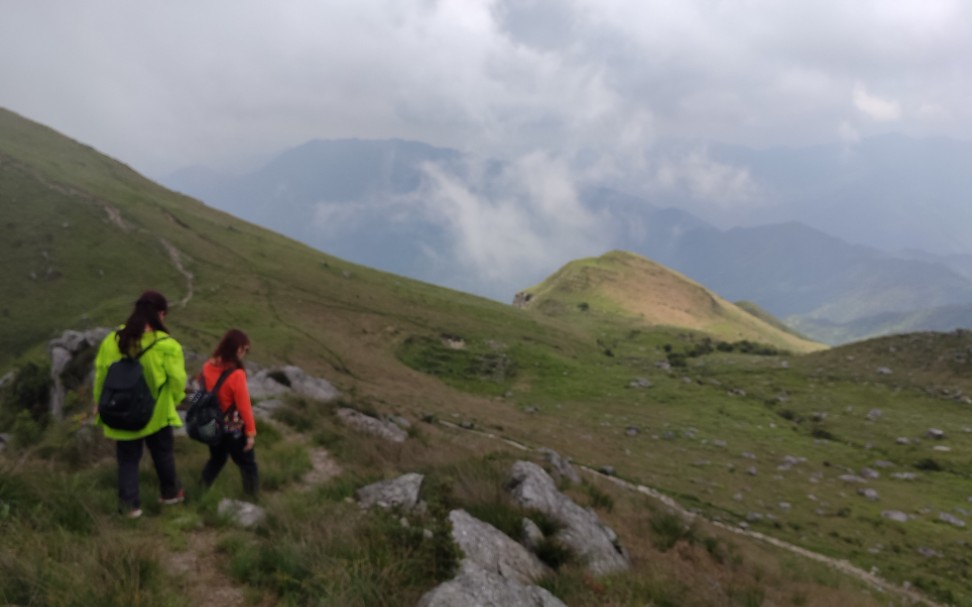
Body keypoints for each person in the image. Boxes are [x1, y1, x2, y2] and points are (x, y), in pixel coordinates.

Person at [93, 290, 187, 518]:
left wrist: (99, 403)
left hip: (122, 413)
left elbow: (101, 376)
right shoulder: (168, 345)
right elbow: (177, 381)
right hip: (157, 412)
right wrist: (173, 400)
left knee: (127, 460)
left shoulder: (113, 340)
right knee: (163, 453)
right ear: (161, 314)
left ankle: (130, 507)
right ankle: (170, 494)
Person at [198, 329, 259, 496]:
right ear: (238, 349)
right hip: (231, 425)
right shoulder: (237, 374)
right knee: (247, 463)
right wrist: (250, 432)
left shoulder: (207, 367)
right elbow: (244, 406)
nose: (245, 354)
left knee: (217, 459)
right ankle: (251, 498)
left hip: (211, 424)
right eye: (246, 350)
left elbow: (200, 392)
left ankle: (200, 491)